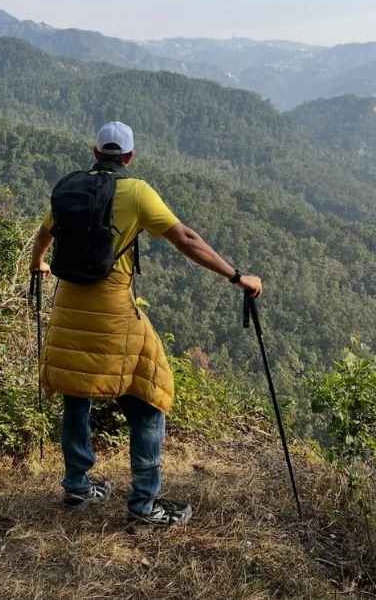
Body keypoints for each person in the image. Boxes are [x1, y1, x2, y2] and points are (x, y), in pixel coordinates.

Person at [29, 121, 262, 527]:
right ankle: (144, 504)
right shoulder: (135, 191)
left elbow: (44, 233)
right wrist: (237, 276)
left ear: (95, 151)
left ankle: (78, 486)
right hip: (113, 310)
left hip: (68, 307)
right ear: (130, 157)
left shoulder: (71, 188)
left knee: (76, 390)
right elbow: (186, 238)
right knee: (150, 397)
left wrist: (38, 266)